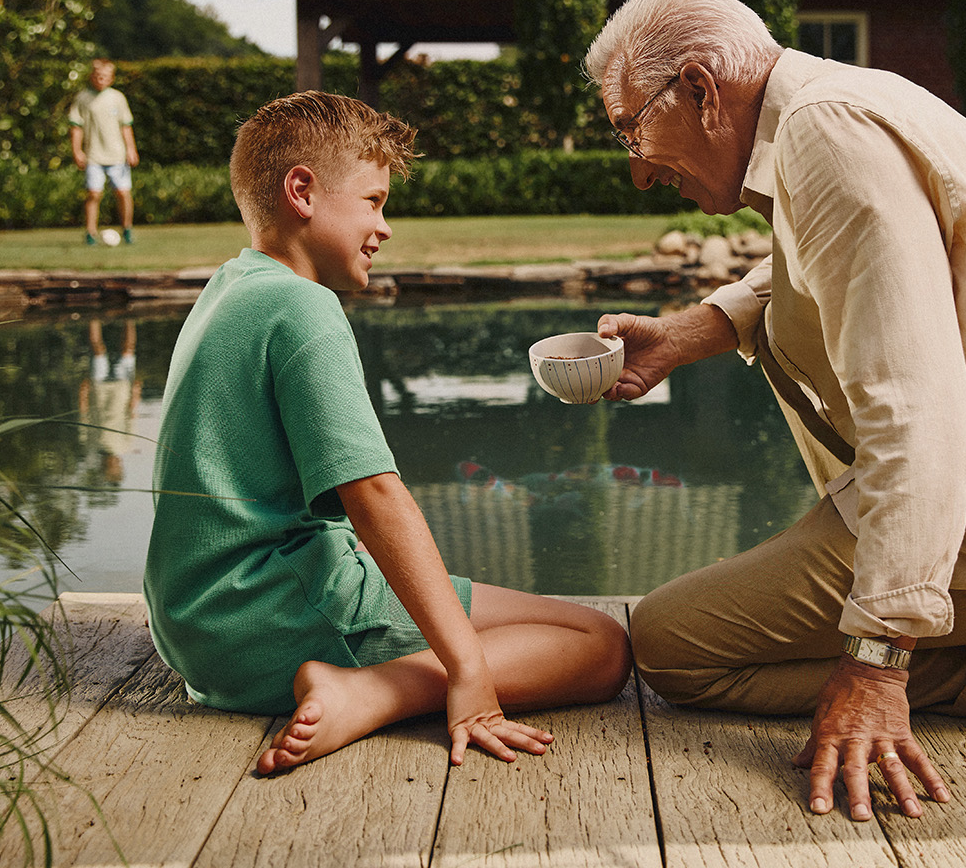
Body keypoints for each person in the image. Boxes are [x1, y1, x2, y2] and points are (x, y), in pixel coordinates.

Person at [587, 0, 966, 822]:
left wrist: (875, 667)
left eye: (630, 127)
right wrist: (696, 330)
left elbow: (919, 411)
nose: (637, 169)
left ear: (701, 90)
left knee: (672, 650)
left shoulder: (826, 133)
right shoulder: (841, 102)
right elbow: (831, 255)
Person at [143, 91, 632, 774]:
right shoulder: (302, 306)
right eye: (373, 201)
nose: (385, 227)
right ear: (302, 192)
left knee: (539, 622)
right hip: (272, 615)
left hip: (200, 623)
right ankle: (369, 691)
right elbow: (373, 493)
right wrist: (466, 672)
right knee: (601, 644)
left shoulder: (231, 287)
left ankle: (374, 678)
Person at [69, 58, 138, 245]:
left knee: (123, 193)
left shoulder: (117, 98)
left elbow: (125, 126)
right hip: (93, 155)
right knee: (93, 194)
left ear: (111, 78)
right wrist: (77, 151)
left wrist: (131, 149)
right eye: (98, 75)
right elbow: (76, 127)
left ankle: (127, 229)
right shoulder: (82, 98)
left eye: (105, 76)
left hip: (117, 155)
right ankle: (90, 233)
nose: (101, 78)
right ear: (92, 76)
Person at [78, 318, 139, 486]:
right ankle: (130, 318)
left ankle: (94, 316)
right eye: (116, 468)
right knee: (128, 350)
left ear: (103, 467)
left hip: (99, 390)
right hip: (122, 389)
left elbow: (84, 417)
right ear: (120, 466)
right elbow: (131, 416)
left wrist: (83, 393)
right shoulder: (125, 446)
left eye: (110, 469)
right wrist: (135, 393)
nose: (114, 465)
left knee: (98, 350)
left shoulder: (90, 446)